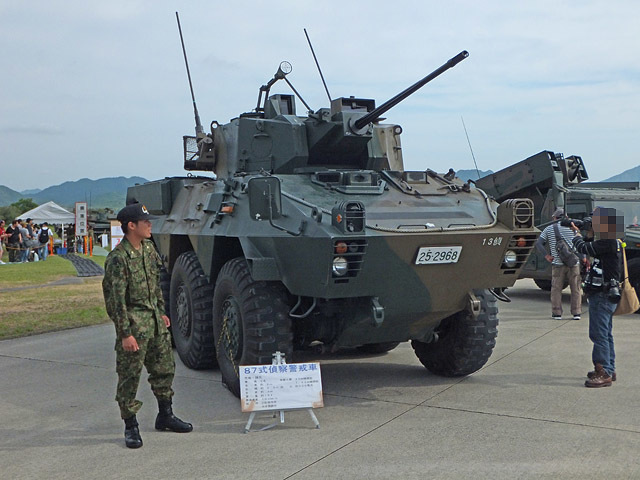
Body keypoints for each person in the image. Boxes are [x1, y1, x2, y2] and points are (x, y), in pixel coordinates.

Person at [102, 203, 192, 449]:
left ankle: (165, 415)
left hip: (155, 323)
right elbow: (115, 301)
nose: (150, 224)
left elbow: (157, 283)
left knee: (164, 369)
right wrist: (125, 334)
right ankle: (131, 426)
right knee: (130, 377)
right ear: (132, 226)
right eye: (145, 221)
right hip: (135, 327)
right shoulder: (118, 259)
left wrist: (161, 312)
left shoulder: (149, 249)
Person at [571, 207, 623, 388]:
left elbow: (584, 248)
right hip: (605, 293)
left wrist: (576, 234)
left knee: (599, 334)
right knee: (606, 334)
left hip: (602, 294)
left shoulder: (608, 241)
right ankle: (609, 367)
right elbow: (591, 246)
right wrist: (589, 232)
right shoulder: (611, 240)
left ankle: (604, 373)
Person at [535, 208, 583, 320]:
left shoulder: (549, 228)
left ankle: (557, 313)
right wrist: (584, 258)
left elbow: (539, 243)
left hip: (557, 263)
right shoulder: (572, 228)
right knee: (575, 288)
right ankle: (576, 312)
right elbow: (580, 244)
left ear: (554, 218)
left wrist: (547, 255)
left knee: (556, 288)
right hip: (573, 262)